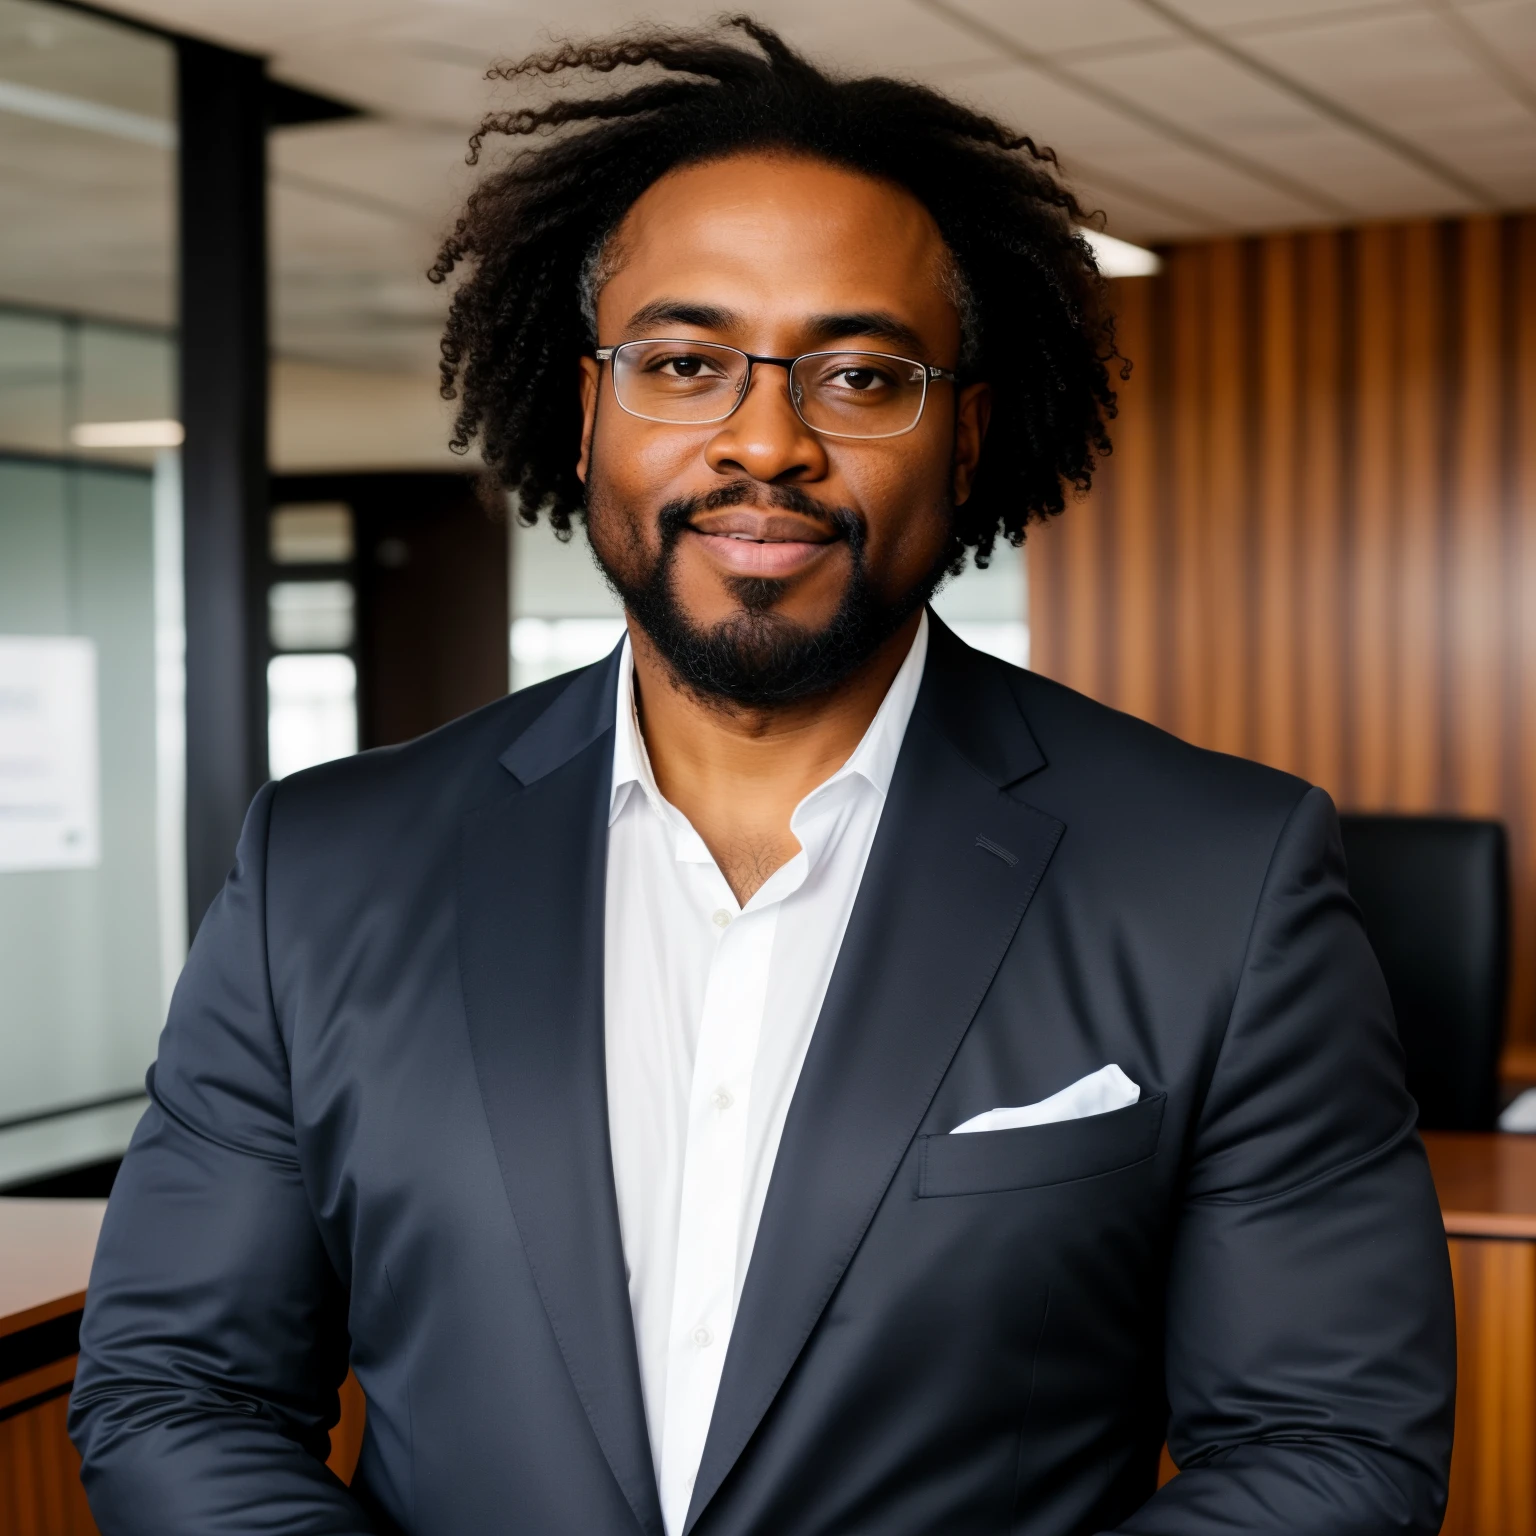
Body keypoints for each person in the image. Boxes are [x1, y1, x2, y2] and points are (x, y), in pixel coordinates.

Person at [71, 19, 1454, 1536]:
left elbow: (1329, 1446)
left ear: (969, 433)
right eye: (683, 363)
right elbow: (177, 1390)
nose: (767, 440)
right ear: (585, 405)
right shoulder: (324, 868)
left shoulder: (1219, 875)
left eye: (861, 375)